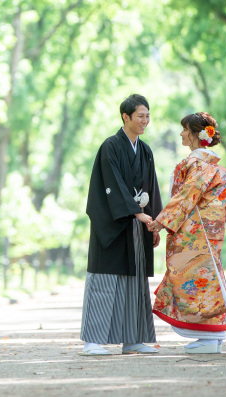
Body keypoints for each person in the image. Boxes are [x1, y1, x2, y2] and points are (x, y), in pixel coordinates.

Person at [142, 112, 226, 354]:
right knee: (206, 280)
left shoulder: (198, 164)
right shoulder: (212, 167)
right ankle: (211, 338)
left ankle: (207, 337)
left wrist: (161, 222)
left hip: (196, 234)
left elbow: (186, 197)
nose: (182, 133)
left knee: (193, 279)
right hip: (206, 233)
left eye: (185, 130)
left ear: (196, 135)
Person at [79, 94, 163, 356]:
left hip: (138, 226)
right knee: (105, 280)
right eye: (140, 116)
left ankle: (133, 339)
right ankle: (92, 340)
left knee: (135, 282)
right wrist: (136, 213)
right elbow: (110, 185)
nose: (145, 121)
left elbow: (151, 188)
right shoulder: (111, 147)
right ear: (125, 117)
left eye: (147, 116)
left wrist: (155, 222)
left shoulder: (145, 150)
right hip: (112, 225)